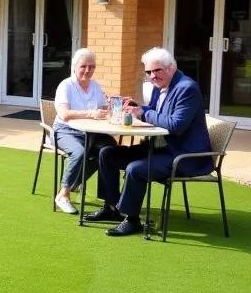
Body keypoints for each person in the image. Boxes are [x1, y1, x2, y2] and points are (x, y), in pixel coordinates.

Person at [87, 47, 213, 236]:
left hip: (183, 155)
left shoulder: (187, 88)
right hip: (159, 147)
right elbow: (156, 111)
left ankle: (132, 220)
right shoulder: (160, 86)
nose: (152, 76)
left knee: (135, 169)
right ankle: (111, 207)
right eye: (148, 72)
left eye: (157, 70)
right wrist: (137, 107)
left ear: (171, 68)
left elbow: (176, 125)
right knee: (107, 153)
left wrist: (144, 113)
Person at [51, 49, 116, 214]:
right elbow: (64, 114)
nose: (88, 70)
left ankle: (109, 201)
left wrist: (113, 107)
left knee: (109, 150)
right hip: (65, 130)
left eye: (92, 66)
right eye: (84, 66)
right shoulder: (66, 86)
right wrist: (90, 113)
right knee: (79, 152)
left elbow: (103, 107)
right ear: (74, 66)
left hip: (90, 133)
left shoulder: (95, 86)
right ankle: (63, 195)